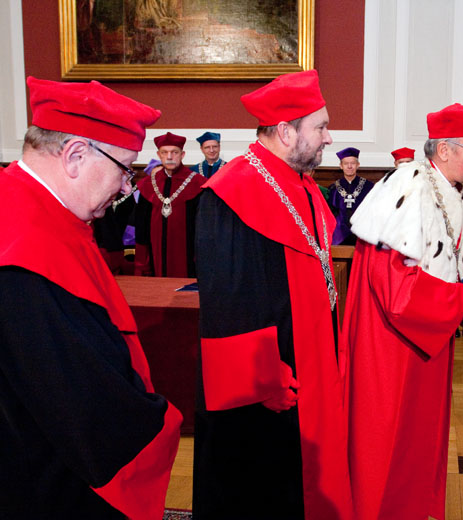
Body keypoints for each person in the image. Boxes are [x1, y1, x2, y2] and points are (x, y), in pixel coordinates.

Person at [0, 76, 182, 519]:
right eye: (125, 169)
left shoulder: (30, 211)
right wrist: (160, 421)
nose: (126, 187)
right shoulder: (28, 251)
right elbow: (84, 404)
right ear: (76, 156)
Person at [193, 69, 351, 519]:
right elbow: (226, 303)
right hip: (266, 388)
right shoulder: (230, 192)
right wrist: (261, 378)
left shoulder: (303, 185)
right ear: (285, 131)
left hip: (308, 367)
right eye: (320, 127)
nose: (328, 137)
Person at [345, 102, 463, 520]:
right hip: (394, 344)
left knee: (416, 438)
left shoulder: (445, 190)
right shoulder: (409, 188)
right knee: (387, 442)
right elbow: (395, 290)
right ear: (445, 150)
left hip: (425, 332)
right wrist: (462, 299)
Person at [135, 131, 205, 277]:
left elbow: (204, 227)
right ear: (159, 155)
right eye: (164, 152)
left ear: (182, 155)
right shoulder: (147, 184)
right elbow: (141, 227)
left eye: (174, 152)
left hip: (189, 257)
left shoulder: (198, 184)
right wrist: (143, 263)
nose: (169, 157)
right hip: (155, 256)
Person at [327, 147, 373, 245]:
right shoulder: (333, 188)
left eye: (352, 163)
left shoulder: (369, 187)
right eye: (346, 163)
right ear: (341, 166)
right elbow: (330, 213)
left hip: (362, 233)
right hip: (339, 235)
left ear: (358, 165)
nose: (349, 166)